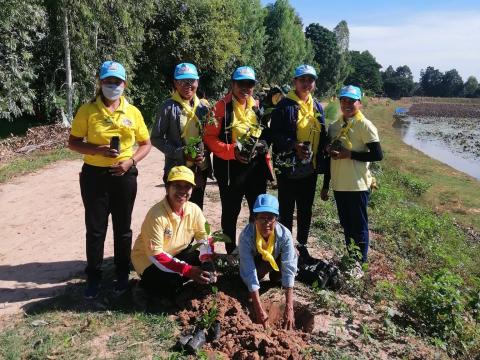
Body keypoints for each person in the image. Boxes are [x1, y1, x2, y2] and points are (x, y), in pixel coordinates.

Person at [68, 60, 152, 299]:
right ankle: (93, 276)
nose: (112, 85)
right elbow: (73, 143)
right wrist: (97, 149)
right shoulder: (87, 110)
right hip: (94, 176)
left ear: (124, 84)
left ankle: (122, 273)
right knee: (95, 229)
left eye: (116, 81)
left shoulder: (133, 112)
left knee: (123, 228)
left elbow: (146, 144)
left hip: (124, 175)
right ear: (100, 82)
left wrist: (131, 162)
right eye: (107, 81)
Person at [204, 66, 273, 254]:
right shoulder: (220, 107)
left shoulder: (257, 106)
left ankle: (255, 248)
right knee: (230, 211)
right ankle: (230, 250)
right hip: (229, 167)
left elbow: (265, 134)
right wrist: (231, 151)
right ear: (232, 84)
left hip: (255, 168)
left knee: (257, 210)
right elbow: (209, 138)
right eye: (241, 83)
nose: (245, 88)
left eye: (249, 84)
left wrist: (264, 148)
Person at [270, 64, 327, 262]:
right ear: (295, 82)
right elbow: (274, 135)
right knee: (286, 208)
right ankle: (286, 247)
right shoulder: (284, 106)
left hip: (309, 169)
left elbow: (324, 134)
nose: (306, 83)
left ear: (314, 83)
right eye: (302, 79)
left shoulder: (317, 107)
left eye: (310, 80)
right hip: (288, 169)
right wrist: (293, 145)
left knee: (305, 209)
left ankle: (302, 246)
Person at [321, 85, 383, 263]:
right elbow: (329, 159)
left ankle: (360, 263)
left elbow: (377, 155)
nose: (347, 104)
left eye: (351, 101)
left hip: (358, 185)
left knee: (359, 226)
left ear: (359, 103)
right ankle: (351, 258)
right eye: (344, 100)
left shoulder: (365, 125)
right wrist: (326, 185)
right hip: (339, 185)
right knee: (346, 225)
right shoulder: (335, 126)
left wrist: (350, 154)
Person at [131, 166, 216, 296]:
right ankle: (144, 287)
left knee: (203, 264)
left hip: (176, 253)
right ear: (167, 188)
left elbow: (204, 237)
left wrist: (207, 261)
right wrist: (188, 270)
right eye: (177, 186)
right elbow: (156, 255)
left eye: (187, 186)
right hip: (149, 261)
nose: (182, 191)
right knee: (171, 283)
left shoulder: (194, 209)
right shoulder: (156, 215)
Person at [150, 63, 211, 209]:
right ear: (175, 83)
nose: (187, 85)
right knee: (176, 210)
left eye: (191, 81)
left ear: (197, 82)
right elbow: (156, 138)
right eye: (182, 81)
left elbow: (210, 137)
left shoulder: (204, 108)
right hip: (176, 168)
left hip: (199, 169)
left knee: (196, 210)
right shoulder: (168, 107)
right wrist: (180, 153)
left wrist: (205, 153)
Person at [238, 194, 298, 330]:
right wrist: (258, 308)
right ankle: (261, 285)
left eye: (270, 218)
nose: (267, 223)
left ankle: (275, 278)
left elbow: (289, 267)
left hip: (275, 258)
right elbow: (249, 270)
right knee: (246, 281)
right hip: (257, 263)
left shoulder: (284, 235)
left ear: (276, 219)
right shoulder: (246, 236)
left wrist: (290, 307)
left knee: (292, 256)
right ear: (254, 219)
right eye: (262, 218)